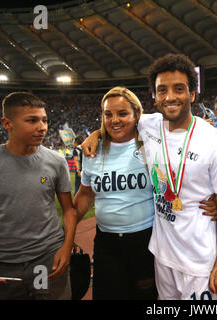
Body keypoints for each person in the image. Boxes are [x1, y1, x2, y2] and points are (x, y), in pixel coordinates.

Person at [82, 54, 217, 300]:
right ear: (154, 96)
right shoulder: (148, 125)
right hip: (162, 255)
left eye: (179, 89)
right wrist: (95, 135)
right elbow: (115, 121)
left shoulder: (216, 141)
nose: (170, 97)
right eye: (162, 90)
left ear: (192, 94)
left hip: (199, 260)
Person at [0, 92, 77, 299]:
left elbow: (68, 209)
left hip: (46, 259)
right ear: (7, 123)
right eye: (32, 120)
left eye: (44, 120)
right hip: (0, 264)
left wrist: (66, 246)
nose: (42, 126)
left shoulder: (56, 161)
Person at [73, 87, 157, 300]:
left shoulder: (151, 145)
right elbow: (84, 194)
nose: (114, 120)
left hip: (145, 241)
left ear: (137, 114)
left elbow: (167, 116)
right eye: (108, 114)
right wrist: (66, 230)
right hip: (106, 244)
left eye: (122, 113)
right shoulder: (92, 150)